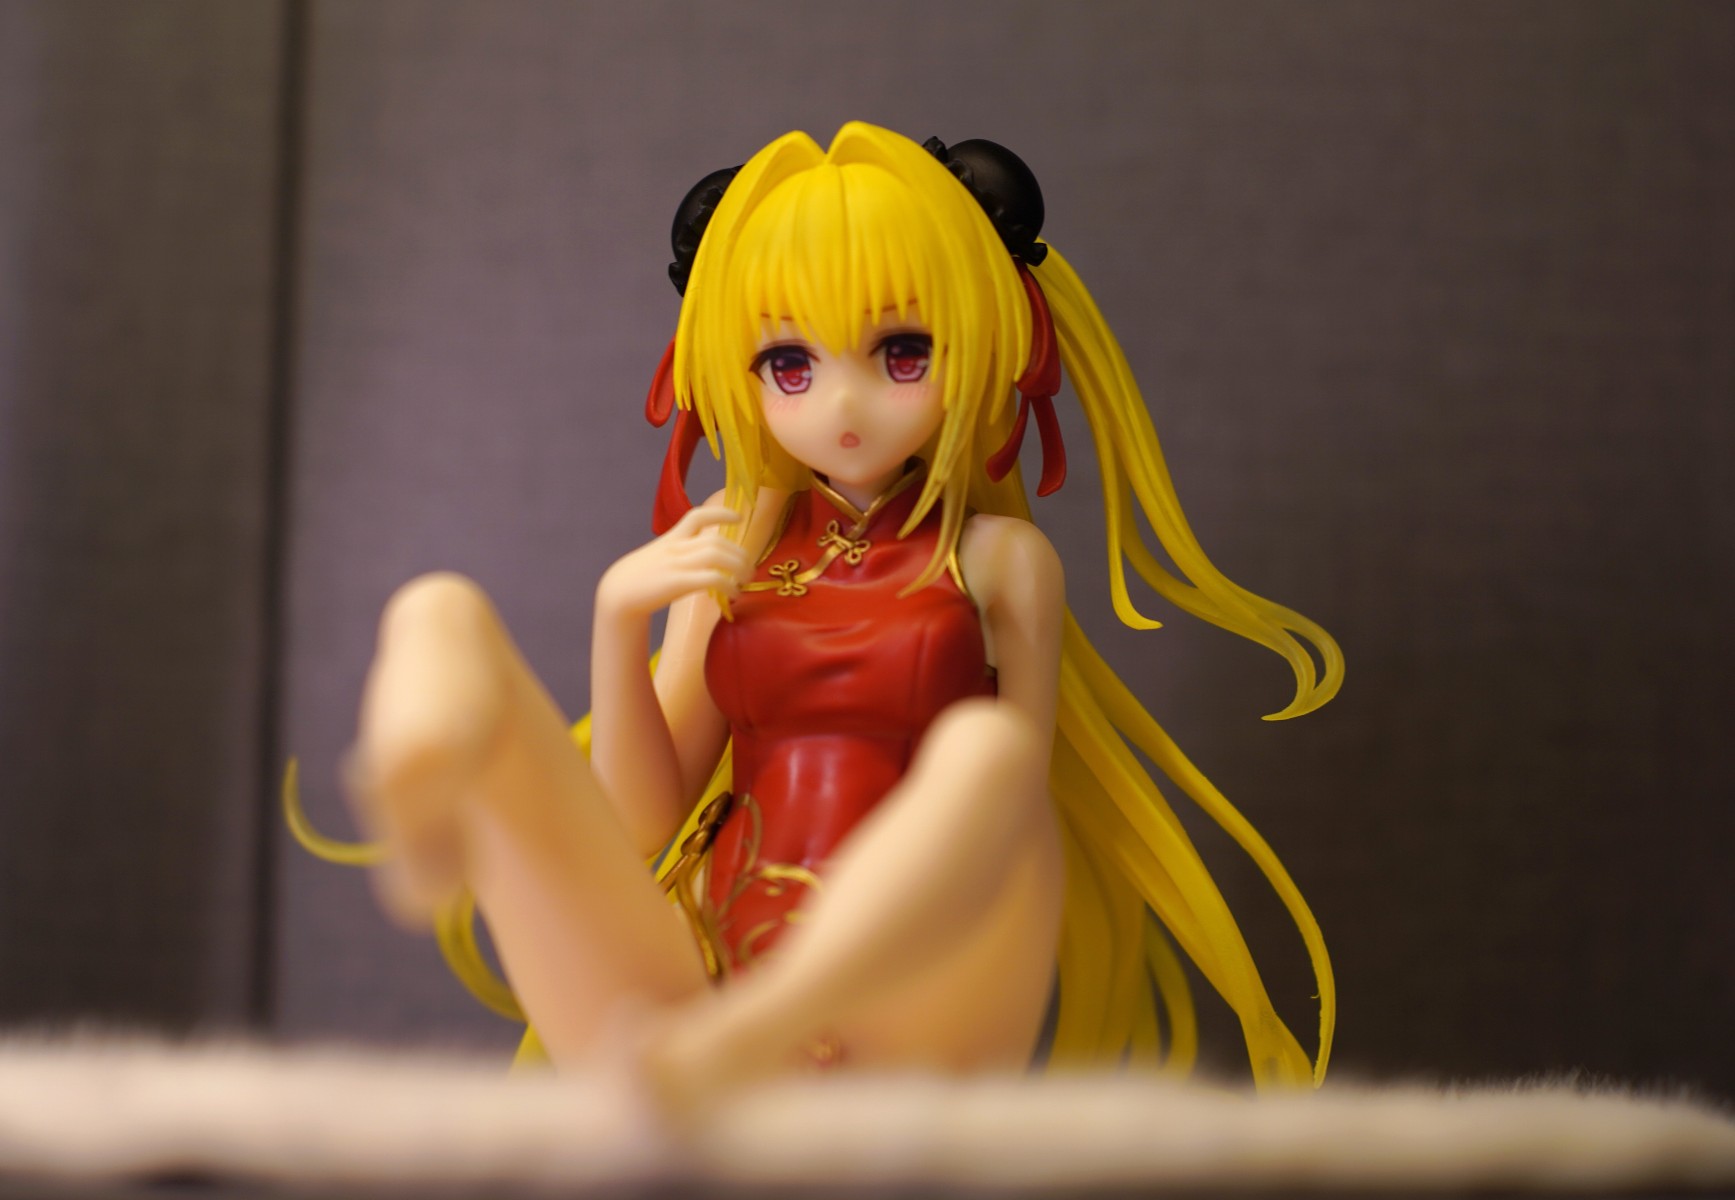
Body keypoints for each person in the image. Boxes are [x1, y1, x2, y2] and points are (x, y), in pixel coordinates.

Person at [300, 122, 1341, 1099]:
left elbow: (1008, 828)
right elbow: (640, 825)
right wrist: (618, 622)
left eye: (902, 353)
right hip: (701, 966)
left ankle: (764, 1025)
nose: (841, 405)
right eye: (789, 364)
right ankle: (432, 781)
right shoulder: (732, 545)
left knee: (988, 757)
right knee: (440, 610)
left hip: (926, 983)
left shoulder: (1000, 562)